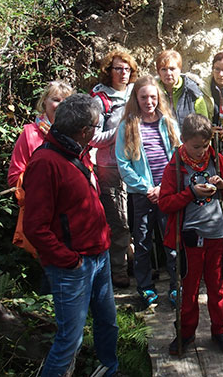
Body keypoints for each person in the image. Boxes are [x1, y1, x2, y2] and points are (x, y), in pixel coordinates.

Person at [22, 94, 119, 377]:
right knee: (69, 340)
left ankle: (108, 370)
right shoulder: (46, 163)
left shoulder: (74, 152)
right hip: (73, 265)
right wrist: (69, 260)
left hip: (99, 256)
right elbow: (35, 227)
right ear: (85, 131)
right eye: (95, 128)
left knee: (107, 323)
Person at [158, 114, 223, 355]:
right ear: (183, 140)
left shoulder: (217, 161)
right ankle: (185, 333)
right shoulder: (175, 167)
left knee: (217, 287)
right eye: (196, 146)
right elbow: (165, 203)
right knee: (190, 288)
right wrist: (191, 193)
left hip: (217, 235)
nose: (201, 151)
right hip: (190, 239)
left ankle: (221, 331)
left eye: (205, 145)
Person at [116, 76, 181, 306]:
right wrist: (147, 188)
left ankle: (176, 286)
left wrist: (164, 187)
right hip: (142, 194)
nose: (149, 101)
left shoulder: (167, 122)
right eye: (144, 97)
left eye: (153, 96)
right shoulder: (128, 125)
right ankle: (144, 287)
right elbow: (123, 163)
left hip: (167, 191)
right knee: (142, 241)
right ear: (136, 98)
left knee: (171, 240)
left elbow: (178, 157)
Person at [89, 50, 138, 289]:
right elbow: (93, 137)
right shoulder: (100, 99)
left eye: (127, 69)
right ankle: (118, 270)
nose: (123, 73)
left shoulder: (136, 94)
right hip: (110, 167)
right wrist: (118, 130)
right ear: (109, 71)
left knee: (139, 220)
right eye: (118, 69)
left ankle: (137, 265)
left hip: (137, 165)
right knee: (118, 222)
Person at [8, 80, 74, 256]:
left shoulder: (74, 133)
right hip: (42, 213)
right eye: (56, 99)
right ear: (44, 101)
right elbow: (15, 175)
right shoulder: (30, 133)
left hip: (71, 213)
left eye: (65, 102)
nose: (60, 105)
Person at [155, 49, 208, 123]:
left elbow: (203, 122)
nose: (168, 73)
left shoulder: (192, 90)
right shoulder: (152, 91)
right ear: (158, 72)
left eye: (172, 69)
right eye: (164, 69)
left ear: (180, 70)